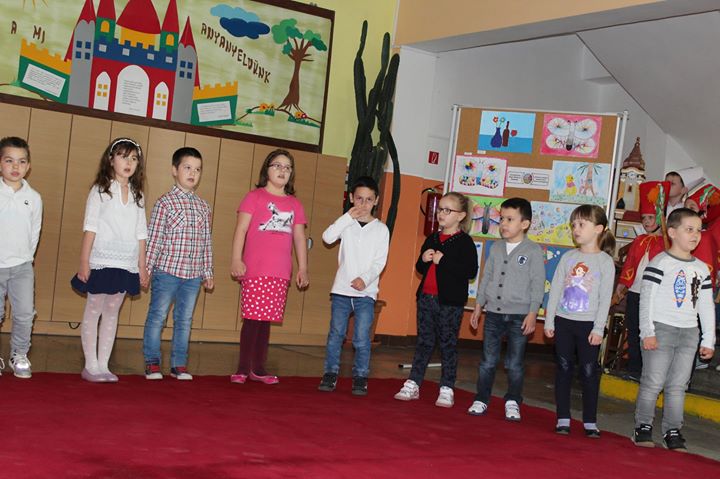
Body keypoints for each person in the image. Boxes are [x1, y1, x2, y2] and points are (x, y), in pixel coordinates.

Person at [632, 208, 715, 451]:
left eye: (698, 230)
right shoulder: (661, 262)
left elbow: (706, 305)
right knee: (653, 381)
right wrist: (647, 332)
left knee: (678, 385)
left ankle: (672, 430)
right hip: (661, 329)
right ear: (672, 232)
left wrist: (708, 339)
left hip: (689, 332)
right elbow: (646, 299)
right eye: (689, 229)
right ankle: (643, 427)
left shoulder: (702, 268)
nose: (695, 235)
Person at [71, 138, 149, 383]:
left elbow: (141, 233)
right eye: (123, 156)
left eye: (134, 158)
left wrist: (142, 266)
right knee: (94, 308)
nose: (129, 163)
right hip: (102, 258)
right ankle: (90, 365)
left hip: (126, 261)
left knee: (113, 310)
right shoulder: (100, 191)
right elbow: (90, 227)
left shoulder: (138, 195)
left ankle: (104, 365)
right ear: (111, 159)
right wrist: (84, 261)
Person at [229, 149, 309, 385]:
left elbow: (299, 238)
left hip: (279, 272)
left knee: (265, 320)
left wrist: (303, 268)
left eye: (287, 167)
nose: (283, 170)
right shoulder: (254, 197)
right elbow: (241, 230)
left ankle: (258, 368)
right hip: (255, 269)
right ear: (267, 169)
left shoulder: (295, 204)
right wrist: (236, 259)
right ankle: (243, 368)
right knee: (252, 319)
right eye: (277, 166)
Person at [394, 192, 478, 407]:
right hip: (426, 298)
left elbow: (470, 271)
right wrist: (423, 259)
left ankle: (447, 387)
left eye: (447, 210)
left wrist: (445, 261)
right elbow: (420, 268)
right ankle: (414, 382)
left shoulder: (464, 242)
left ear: (460, 216)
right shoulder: (432, 238)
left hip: (449, 302)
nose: (441, 213)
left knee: (448, 344)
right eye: (440, 209)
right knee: (424, 342)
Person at [467, 198, 545, 420]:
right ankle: (481, 398)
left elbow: (537, 284)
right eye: (502, 218)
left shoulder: (533, 250)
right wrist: (479, 305)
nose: (503, 223)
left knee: (514, 363)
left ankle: (513, 400)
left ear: (525, 224)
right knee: (488, 361)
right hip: (493, 313)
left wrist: (532, 313)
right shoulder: (496, 247)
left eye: (510, 219)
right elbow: (487, 277)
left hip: (519, 315)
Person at [142, 147, 214, 381]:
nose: (193, 173)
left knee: (184, 320)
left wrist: (207, 271)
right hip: (167, 272)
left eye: (197, 169)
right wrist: (146, 269)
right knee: (158, 317)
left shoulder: (204, 207)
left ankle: (179, 365)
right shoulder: (165, 203)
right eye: (187, 168)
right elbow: (154, 240)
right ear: (174, 170)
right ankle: (152, 362)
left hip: (193, 276)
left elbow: (206, 242)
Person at [544, 204, 615, 438]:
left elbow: (605, 298)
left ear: (598, 229)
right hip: (564, 321)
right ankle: (563, 417)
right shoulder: (568, 257)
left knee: (588, 371)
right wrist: (549, 320)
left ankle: (590, 421)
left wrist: (598, 328)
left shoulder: (605, 262)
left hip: (588, 325)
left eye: (581, 224)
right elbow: (555, 290)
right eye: (573, 224)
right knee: (563, 368)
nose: (576, 229)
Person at [317, 176, 389, 396]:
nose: (363, 204)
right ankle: (330, 373)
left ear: (376, 201)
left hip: (366, 293)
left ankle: (360, 376)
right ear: (351, 198)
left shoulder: (381, 230)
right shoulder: (346, 224)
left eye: (369, 199)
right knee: (336, 334)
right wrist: (347, 217)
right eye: (359, 198)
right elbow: (327, 237)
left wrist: (365, 279)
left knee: (361, 338)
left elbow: (379, 262)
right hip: (341, 290)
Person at [613, 181, 669, 381]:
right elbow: (629, 265)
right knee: (634, 328)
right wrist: (621, 286)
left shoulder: (666, 243)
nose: (646, 222)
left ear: (660, 218)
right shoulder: (638, 241)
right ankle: (634, 369)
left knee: (650, 332)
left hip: (654, 295)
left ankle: (650, 370)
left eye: (651, 217)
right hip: (635, 292)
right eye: (644, 218)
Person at [0, 137, 42, 378]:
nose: (15, 166)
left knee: (25, 313)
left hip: (22, 266)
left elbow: (34, 232)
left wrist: (27, 257)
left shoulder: (34, 198)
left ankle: (19, 354)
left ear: (28, 166)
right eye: (9, 161)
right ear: (0, 163)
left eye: (21, 161)